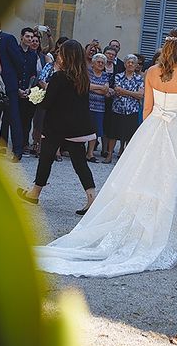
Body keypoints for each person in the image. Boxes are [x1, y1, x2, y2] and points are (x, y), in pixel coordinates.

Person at [34, 28, 177, 277]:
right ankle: (163, 234)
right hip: (176, 130)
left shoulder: (151, 71)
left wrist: (149, 134)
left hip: (152, 128)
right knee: (172, 180)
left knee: (143, 177)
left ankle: (142, 226)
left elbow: (147, 108)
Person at [17, 40, 97, 214]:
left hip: (56, 126)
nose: (58, 56)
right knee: (80, 163)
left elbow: (48, 103)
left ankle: (35, 193)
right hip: (77, 127)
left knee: (46, 159)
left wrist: (36, 96)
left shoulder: (59, 76)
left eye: (61, 53)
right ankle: (92, 197)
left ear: (66, 56)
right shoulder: (83, 77)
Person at [0, 27, 25, 160]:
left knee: (13, 118)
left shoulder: (8, 38)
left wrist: (14, 79)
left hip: (9, 85)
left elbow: (19, 61)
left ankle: (17, 151)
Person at [104, 55, 144, 164]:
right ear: (125, 64)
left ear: (136, 65)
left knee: (129, 135)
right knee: (113, 134)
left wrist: (124, 91)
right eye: (128, 62)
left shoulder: (139, 78)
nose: (130, 64)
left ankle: (125, 158)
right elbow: (117, 90)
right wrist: (132, 94)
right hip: (118, 108)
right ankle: (109, 155)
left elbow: (140, 95)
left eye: (133, 63)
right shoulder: (118, 76)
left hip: (132, 110)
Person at [18, 27, 40, 155]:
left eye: (32, 37)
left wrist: (29, 88)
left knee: (27, 118)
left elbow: (33, 74)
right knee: (16, 118)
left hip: (29, 90)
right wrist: (18, 88)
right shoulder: (15, 50)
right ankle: (17, 143)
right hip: (17, 89)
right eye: (28, 37)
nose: (30, 40)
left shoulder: (34, 55)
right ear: (22, 37)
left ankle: (25, 143)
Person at [86, 53, 110, 162]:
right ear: (93, 63)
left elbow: (106, 91)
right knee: (84, 129)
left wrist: (93, 88)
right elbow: (86, 86)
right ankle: (81, 152)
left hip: (99, 108)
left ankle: (90, 153)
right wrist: (100, 88)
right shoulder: (88, 73)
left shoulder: (105, 75)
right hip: (87, 106)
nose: (100, 64)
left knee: (95, 132)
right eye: (98, 62)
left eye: (102, 63)